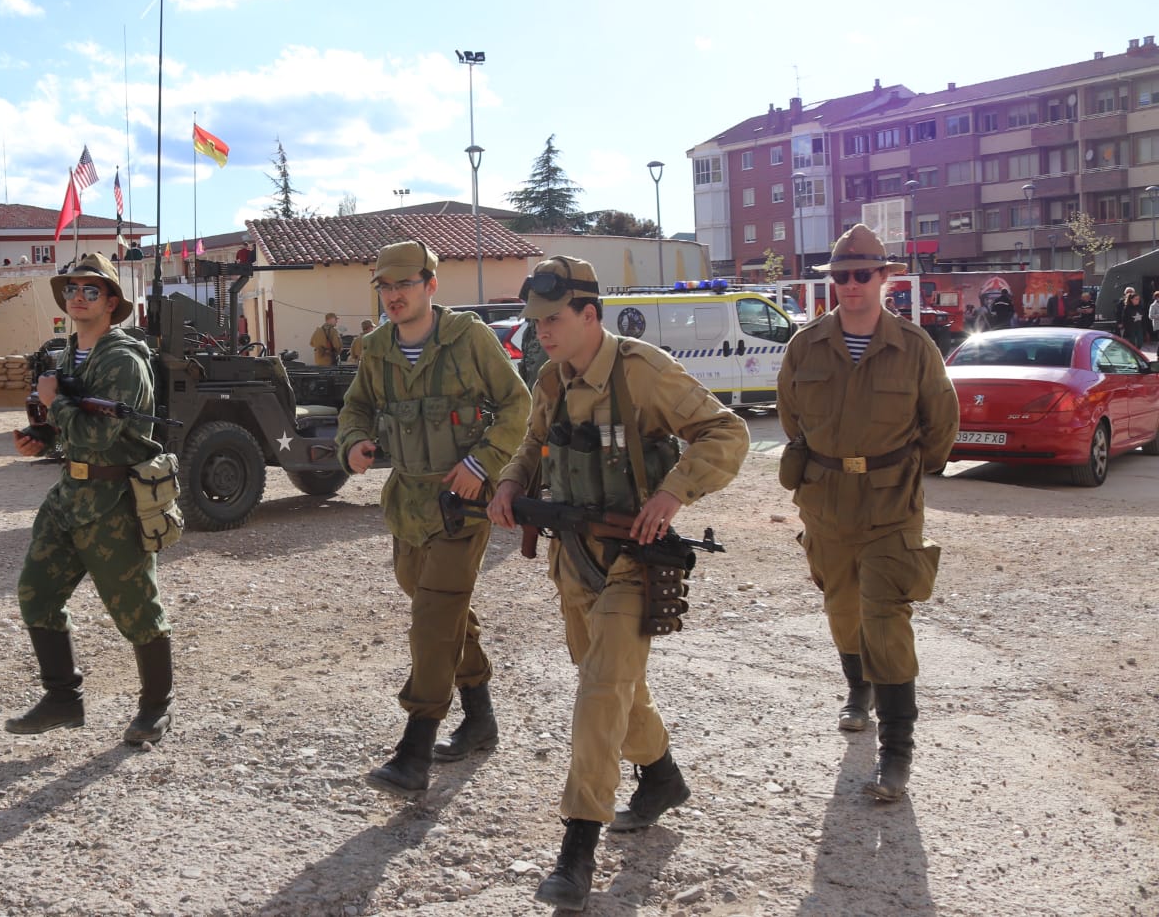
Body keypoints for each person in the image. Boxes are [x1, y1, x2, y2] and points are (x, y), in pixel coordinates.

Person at [485, 255, 748, 910]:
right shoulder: (549, 378)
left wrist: (672, 494)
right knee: (614, 687)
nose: (541, 332)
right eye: (535, 322)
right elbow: (533, 443)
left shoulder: (643, 373)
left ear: (589, 314)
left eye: (552, 319)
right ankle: (659, 776)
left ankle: (577, 851)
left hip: (637, 559)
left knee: (600, 690)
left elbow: (727, 432)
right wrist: (513, 484)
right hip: (574, 558)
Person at [336, 240, 531, 799]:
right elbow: (355, 408)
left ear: (430, 285)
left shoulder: (470, 340)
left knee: (432, 617)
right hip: (408, 504)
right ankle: (480, 715)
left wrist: (480, 463)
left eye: (405, 285)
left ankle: (414, 748)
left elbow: (518, 406)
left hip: (462, 504)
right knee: (436, 607)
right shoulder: (376, 349)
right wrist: (353, 443)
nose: (394, 296)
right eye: (386, 287)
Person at [777, 225, 958, 805]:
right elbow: (790, 419)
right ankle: (859, 691)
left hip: (890, 506)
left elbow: (941, 424)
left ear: (884, 278)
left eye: (862, 275)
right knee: (841, 608)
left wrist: (903, 472)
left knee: (886, 619)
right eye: (840, 276)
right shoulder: (805, 346)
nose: (850, 286)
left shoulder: (914, 346)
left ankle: (895, 752)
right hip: (826, 501)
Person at [7, 253, 175, 746]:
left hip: (114, 499)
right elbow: (72, 432)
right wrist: (40, 436)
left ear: (112, 302)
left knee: (137, 610)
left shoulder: (124, 359)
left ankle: (156, 707)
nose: (77, 297)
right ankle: (63, 698)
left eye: (90, 290)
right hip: (70, 494)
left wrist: (53, 401)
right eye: (71, 289)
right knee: (36, 592)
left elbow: (103, 435)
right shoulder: (67, 357)